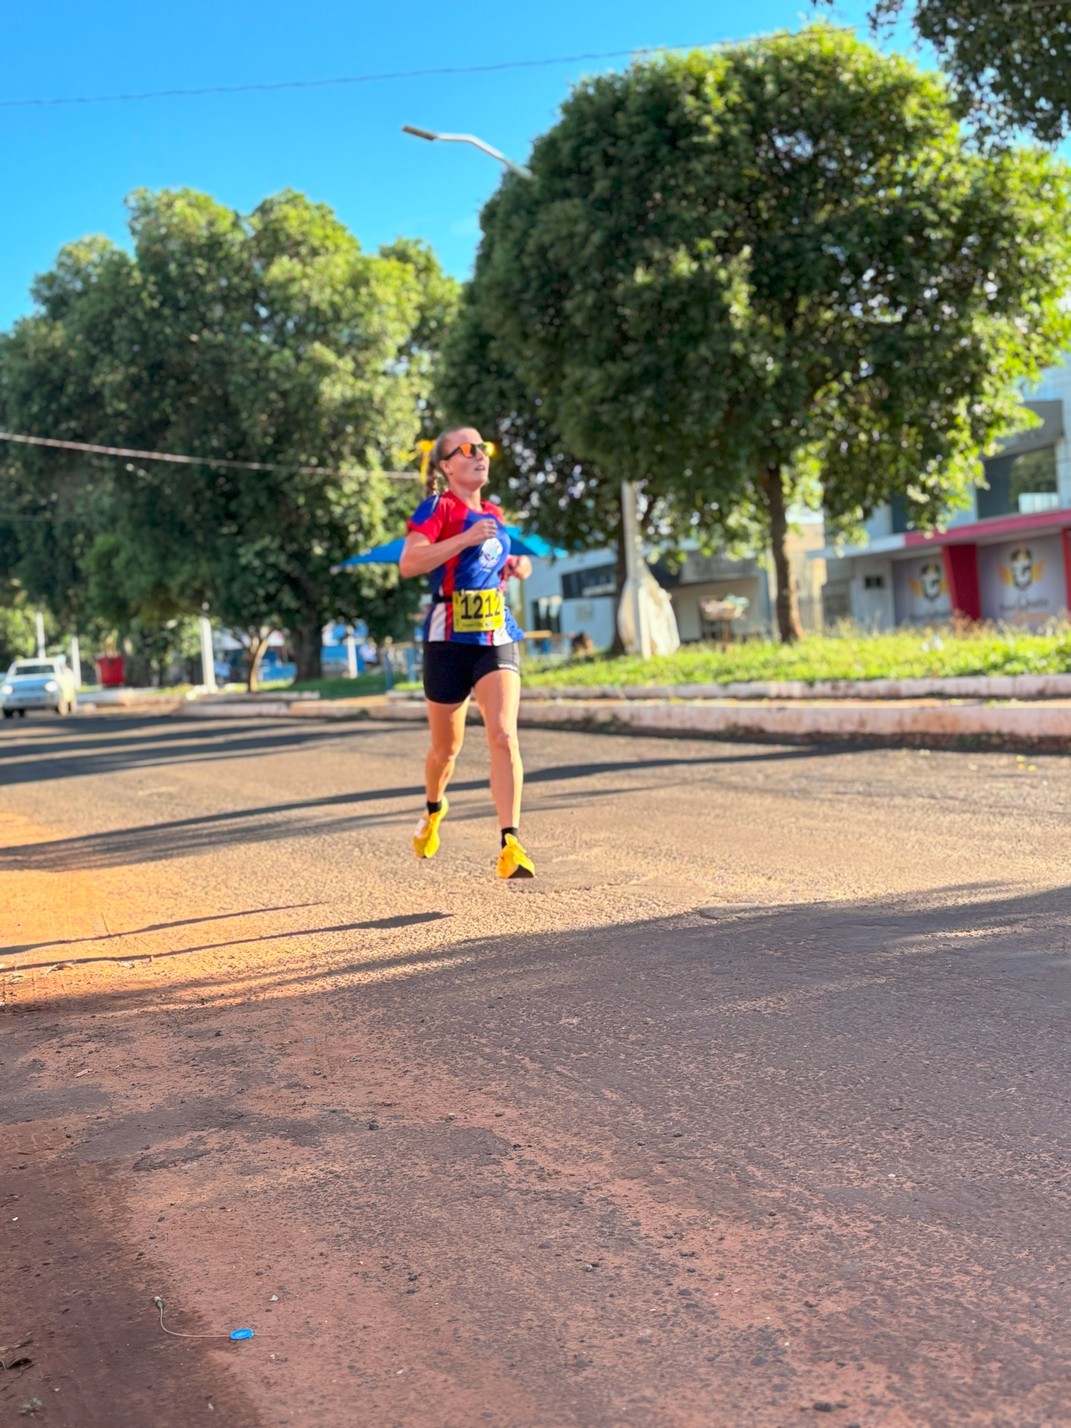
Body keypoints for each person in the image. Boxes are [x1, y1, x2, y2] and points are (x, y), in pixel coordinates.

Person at [399, 426, 535, 879]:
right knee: (446, 748)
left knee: (503, 735)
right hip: (447, 640)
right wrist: (465, 539)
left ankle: (510, 843)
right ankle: (434, 810)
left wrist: (515, 564)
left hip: (496, 633)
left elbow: (492, 563)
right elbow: (410, 563)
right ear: (445, 466)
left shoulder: (493, 512)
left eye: (484, 447)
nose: (480, 454)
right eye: (467, 449)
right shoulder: (436, 509)